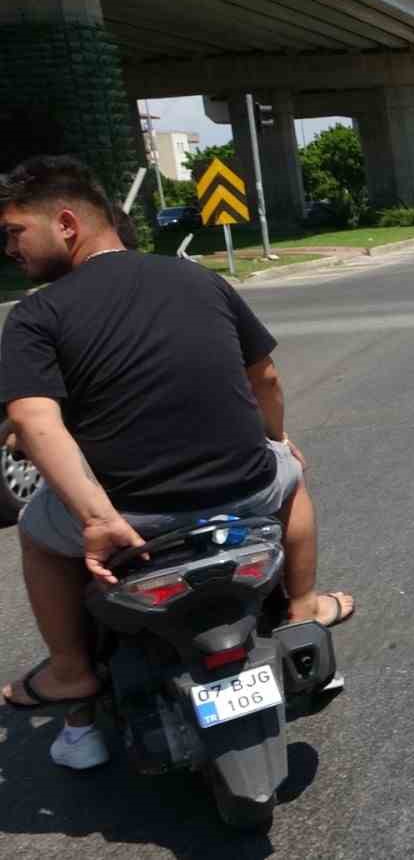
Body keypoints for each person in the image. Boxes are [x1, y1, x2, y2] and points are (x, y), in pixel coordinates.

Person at [0, 155, 353, 770]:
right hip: (244, 495)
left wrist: (98, 518)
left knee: (36, 534)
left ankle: (71, 673)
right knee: (291, 477)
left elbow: (34, 421)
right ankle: (303, 610)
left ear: (64, 223)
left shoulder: (37, 314)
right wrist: (278, 439)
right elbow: (263, 376)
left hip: (132, 518)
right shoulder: (201, 281)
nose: (9, 249)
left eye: (14, 232)